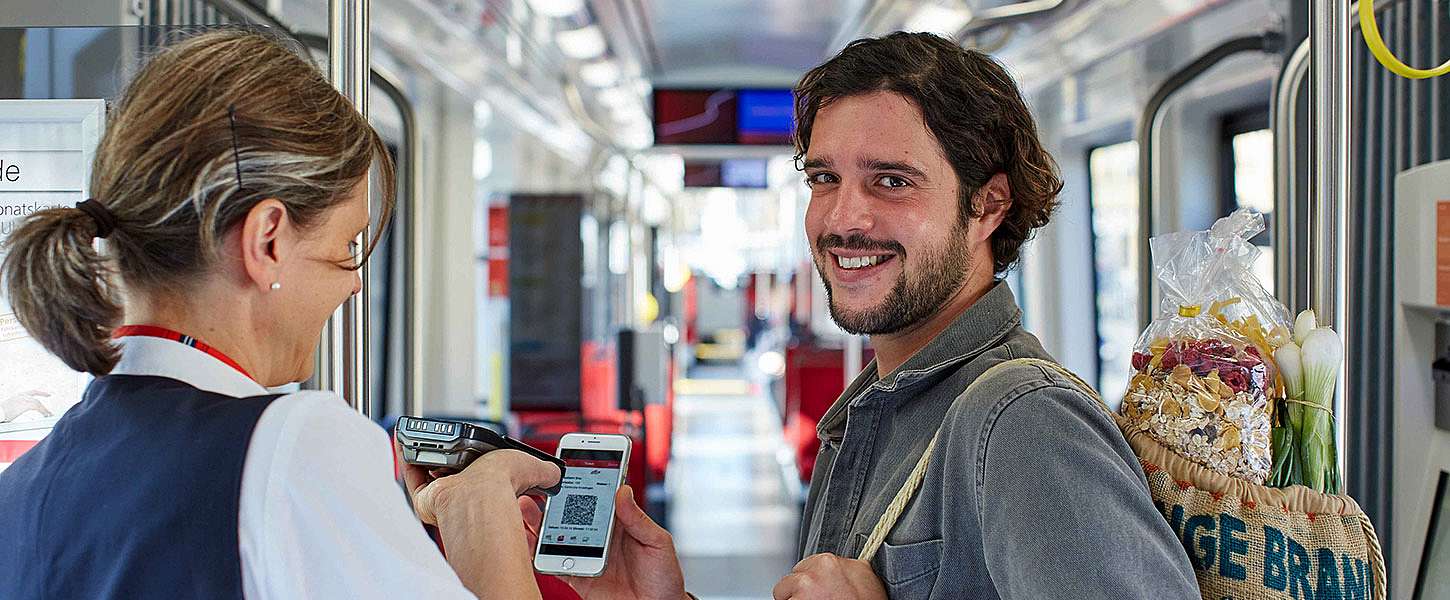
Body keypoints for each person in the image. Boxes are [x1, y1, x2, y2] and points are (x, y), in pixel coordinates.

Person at [539, 32, 1200, 600]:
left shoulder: (1022, 421)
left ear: (988, 206)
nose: (842, 219)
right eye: (824, 178)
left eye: (891, 181)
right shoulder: (876, 411)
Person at [0, 29, 559, 600]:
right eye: (347, 248)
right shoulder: (292, 444)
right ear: (267, 240)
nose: (353, 285)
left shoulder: (20, 490)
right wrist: (483, 519)